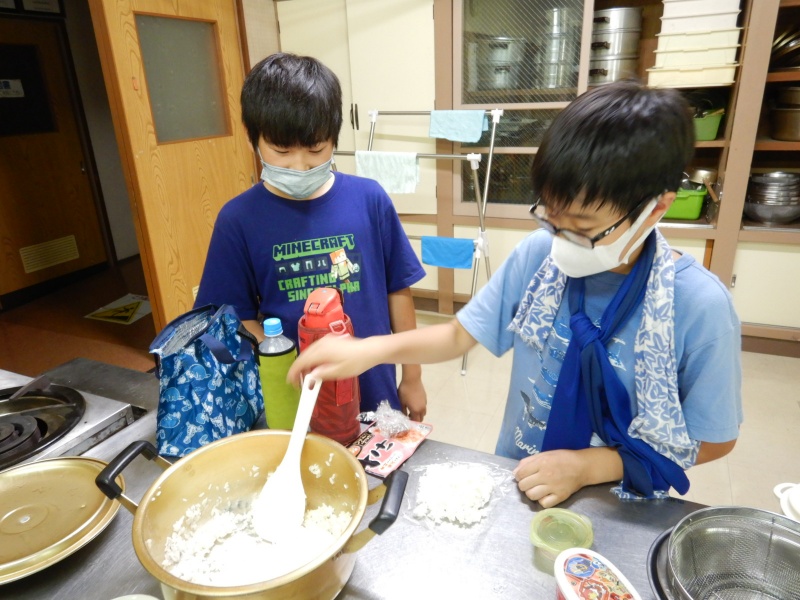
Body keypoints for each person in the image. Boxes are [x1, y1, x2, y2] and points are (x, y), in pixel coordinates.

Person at [287, 80, 743, 507]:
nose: (561, 240)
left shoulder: (699, 306)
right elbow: (458, 336)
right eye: (551, 216)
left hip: (622, 501)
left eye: (582, 227)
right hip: (520, 475)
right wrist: (367, 350)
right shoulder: (540, 257)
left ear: (656, 207)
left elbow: (714, 439)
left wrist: (592, 466)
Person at [195, 52, 427, 420]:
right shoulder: (238, 219)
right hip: (295, 399)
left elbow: (398, 290)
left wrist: (412, 377)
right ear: (253, 140)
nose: (300, 166)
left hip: (374, 390)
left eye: (316, 149)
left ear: (333, 138)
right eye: (281, 151)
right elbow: (234, 317)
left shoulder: (369, 200)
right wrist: (289, 359)